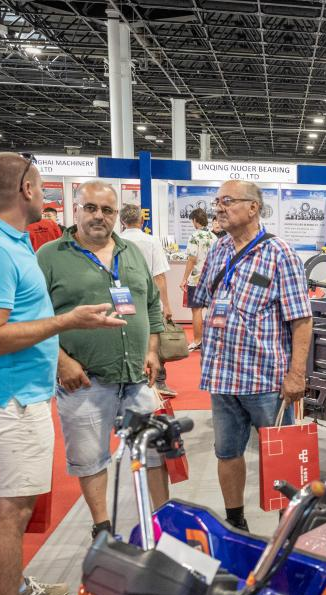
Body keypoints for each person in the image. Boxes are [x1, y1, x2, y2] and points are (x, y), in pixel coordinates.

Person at [0, 153, 125, 595]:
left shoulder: (4, 240)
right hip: (11, 397)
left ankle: (14, 586)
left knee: (4, 500)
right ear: (26, 188)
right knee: (11, 510)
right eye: (43, 185)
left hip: (17, 392)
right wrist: (67, 322)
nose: (47, 194)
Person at [37, 181, 168, 539]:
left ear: (116, 215)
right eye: (91, 208)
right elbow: (32, 316)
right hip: (84, 380)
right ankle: (103, 529)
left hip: (137, 378)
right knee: (90, 458)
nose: (99, 216)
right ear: (76, 209)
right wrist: (61, 361)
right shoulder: (50, 256)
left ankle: (164, 523)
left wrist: (152, 349)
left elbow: (151, 304)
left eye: (107, 210)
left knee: (154, 452)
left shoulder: (132, 251)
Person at [191, 180, 313, 531]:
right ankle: (236, 523)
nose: (219, 207)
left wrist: (296, 374)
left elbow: (302, 320)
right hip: (222, 376)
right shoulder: (218, 249)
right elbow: (205, 299)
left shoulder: (280, 254)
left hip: (265, 380)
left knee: (281, 458)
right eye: (217, 201)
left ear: (253, 207)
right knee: (227, 452)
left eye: (227, 201)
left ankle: (288, 531)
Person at [119, 203, 177, 397]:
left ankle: (129, 380)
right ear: (142, 220)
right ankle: (159, 382)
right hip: (148, 299)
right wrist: (166, 305)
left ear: (122, 221)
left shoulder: (115, 240)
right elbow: (159, 276)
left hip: (121, 298)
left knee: (126, 338)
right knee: (154, 338)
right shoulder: (151, 241)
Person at [179, 207, 216, 351]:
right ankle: (209, 340)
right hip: (212, 278)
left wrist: (184, 278)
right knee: (211, 310)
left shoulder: (194, 236)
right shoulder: (214, 237)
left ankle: (197, 340)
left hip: (196, 278)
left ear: (195, 220)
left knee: (196, 310)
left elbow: (192, 259)